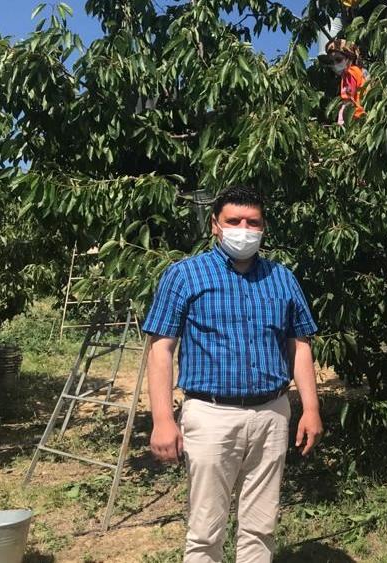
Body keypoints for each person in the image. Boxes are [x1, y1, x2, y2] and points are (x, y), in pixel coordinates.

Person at [143, 186, 323, 563]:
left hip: (272, 413)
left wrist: (310, 408)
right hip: (211, 415)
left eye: (252, 222)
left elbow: (299, 344)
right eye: (234, 221)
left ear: (264, 228)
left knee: (261, 525)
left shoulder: (282, 278)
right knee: (206, 528)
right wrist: (162, 418)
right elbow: (161, 349)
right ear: (215, 225)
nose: (244, 228)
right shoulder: (184, 276)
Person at [324, 38, 366, 125]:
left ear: (349, 58)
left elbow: (349, 100)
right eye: (332, 61)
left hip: (356, 119)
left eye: (338, 59)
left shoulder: (352, 72)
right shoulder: (355, 72)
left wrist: (343, 123)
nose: (335, 64)